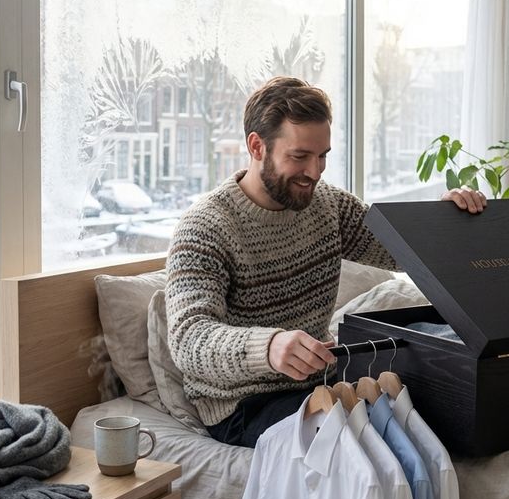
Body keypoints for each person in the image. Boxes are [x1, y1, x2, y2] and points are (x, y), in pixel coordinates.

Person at [166, 76, 486, 447]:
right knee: (374, 444)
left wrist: (448, 217)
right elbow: (188, 338)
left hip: (322, 383)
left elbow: (402, 250)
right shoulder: (205, 227)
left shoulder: (328, 206)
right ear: (256, 146)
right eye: (300, 156)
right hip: (242, 405)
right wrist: (267, 348)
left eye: (322, 157)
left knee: (438, 417)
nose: (315, 172)